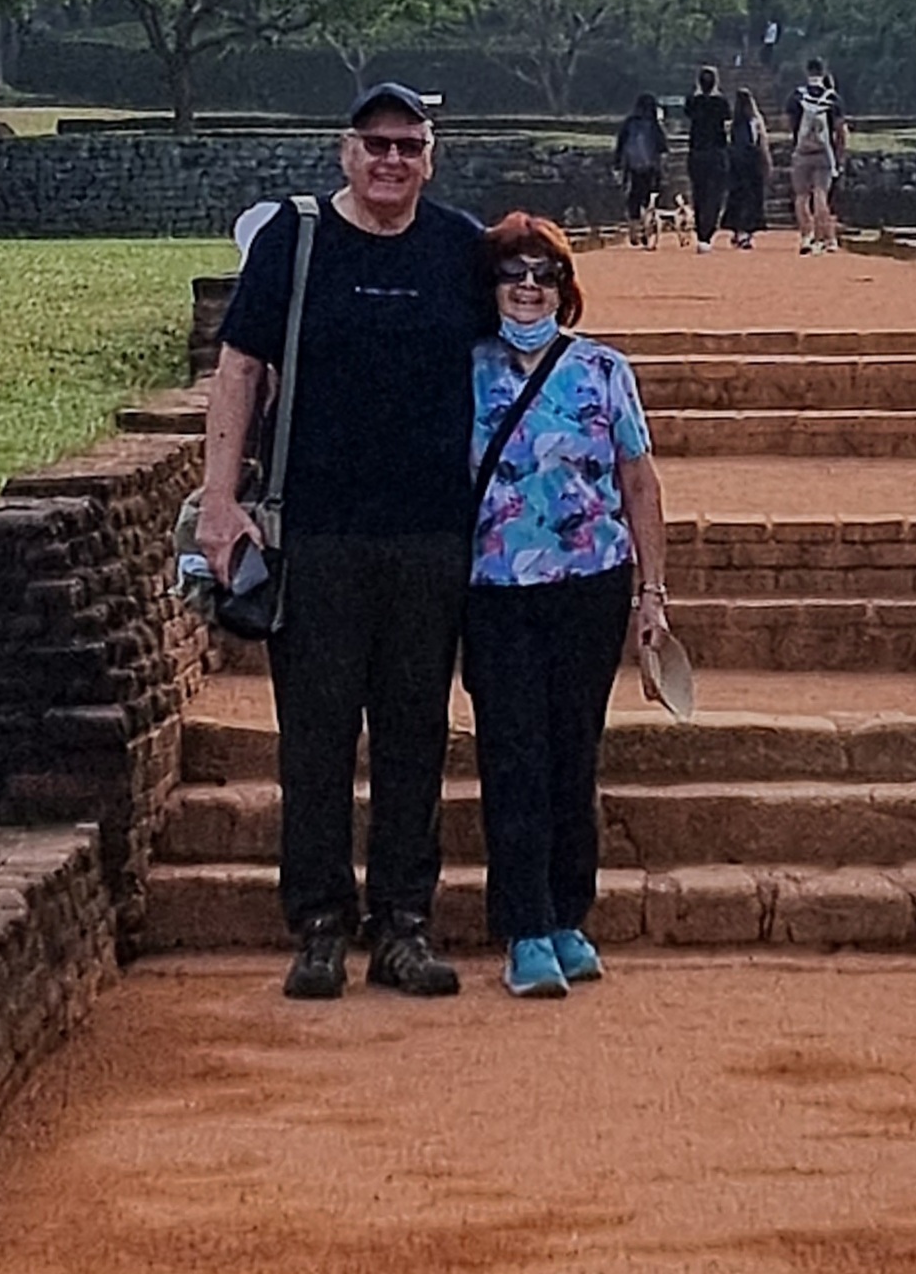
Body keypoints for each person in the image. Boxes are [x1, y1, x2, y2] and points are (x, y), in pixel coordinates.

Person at [197, 82, 488, 1003]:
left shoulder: (459, 249)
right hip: (315, 528)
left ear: (430, 156)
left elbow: (508, 363)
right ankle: (319, 922)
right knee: (314, 736)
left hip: (429, 530)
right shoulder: (298, 240)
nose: (391, 160)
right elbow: (241, 368)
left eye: (408, 145)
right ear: (345, 152)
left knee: (412, 731)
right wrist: (217, 501)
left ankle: (403, 922)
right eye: (376, 145)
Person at [462, 214, 670, 997]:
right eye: (512, 273)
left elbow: (639, 481)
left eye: (542, 274)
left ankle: (567, 914)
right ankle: (523, 922)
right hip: (495, 588)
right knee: (514, 751)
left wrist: (652, 593)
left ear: (563, 288)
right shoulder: (466, 369)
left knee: (573, 749)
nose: (526, 287)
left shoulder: (602, 371)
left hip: (589, 582)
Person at [786, 60, 844, 254]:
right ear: (823, 72)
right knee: (821, 194)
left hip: (802, 152)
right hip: (824, 152)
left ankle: (806, 236)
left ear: (807, 72)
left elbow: (790, 124)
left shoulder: (796, 97)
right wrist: (839, 155)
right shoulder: (832, 98)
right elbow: (840, 130)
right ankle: (825, 237)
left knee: (801, 196)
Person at [682, 64, 733, 252]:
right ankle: (708, 232)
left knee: (699, 193)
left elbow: (688, 112)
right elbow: (727, 120)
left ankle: (700, 232)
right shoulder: (721, 103)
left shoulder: (693, 102)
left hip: (697, 152)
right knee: (715, 195)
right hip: (717, 153)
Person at [615, 91, 669, 246]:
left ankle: (633, 228)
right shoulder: (654, 124)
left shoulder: (629, 122)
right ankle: (647, 228)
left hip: (632, 165)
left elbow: (621, 144)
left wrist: (617, 164)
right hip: (651, 166)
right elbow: (662, 147)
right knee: (649, 198)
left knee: (633, 197)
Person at [724, 84, 770, 250]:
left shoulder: (731, 124)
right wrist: (766, 161)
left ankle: (738, 231)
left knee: (737, 196)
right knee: (752, 197)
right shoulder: (756, 121)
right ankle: (747, 232)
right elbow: (762, 142)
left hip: (736, 163)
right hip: (752, 163)